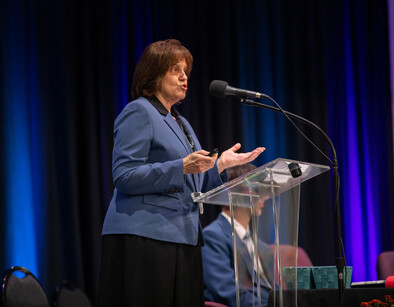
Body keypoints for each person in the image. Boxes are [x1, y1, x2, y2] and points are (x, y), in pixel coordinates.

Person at [98, 39, 265, 307]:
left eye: (186, 70)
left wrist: (221, 165)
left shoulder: (181, 122)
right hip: (145, 236)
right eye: (175, 69)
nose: (184, 77)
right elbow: (124, 175)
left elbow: (194, 184)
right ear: (153, 73)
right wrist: (180, 167)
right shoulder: (139, 111)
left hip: (184, 237)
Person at [202, 163, 275, 307]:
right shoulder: (212, 237)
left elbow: (273, 290)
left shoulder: (262, 248)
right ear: (233, 194)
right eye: (256, 189)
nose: (265, 196)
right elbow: (226, 292)